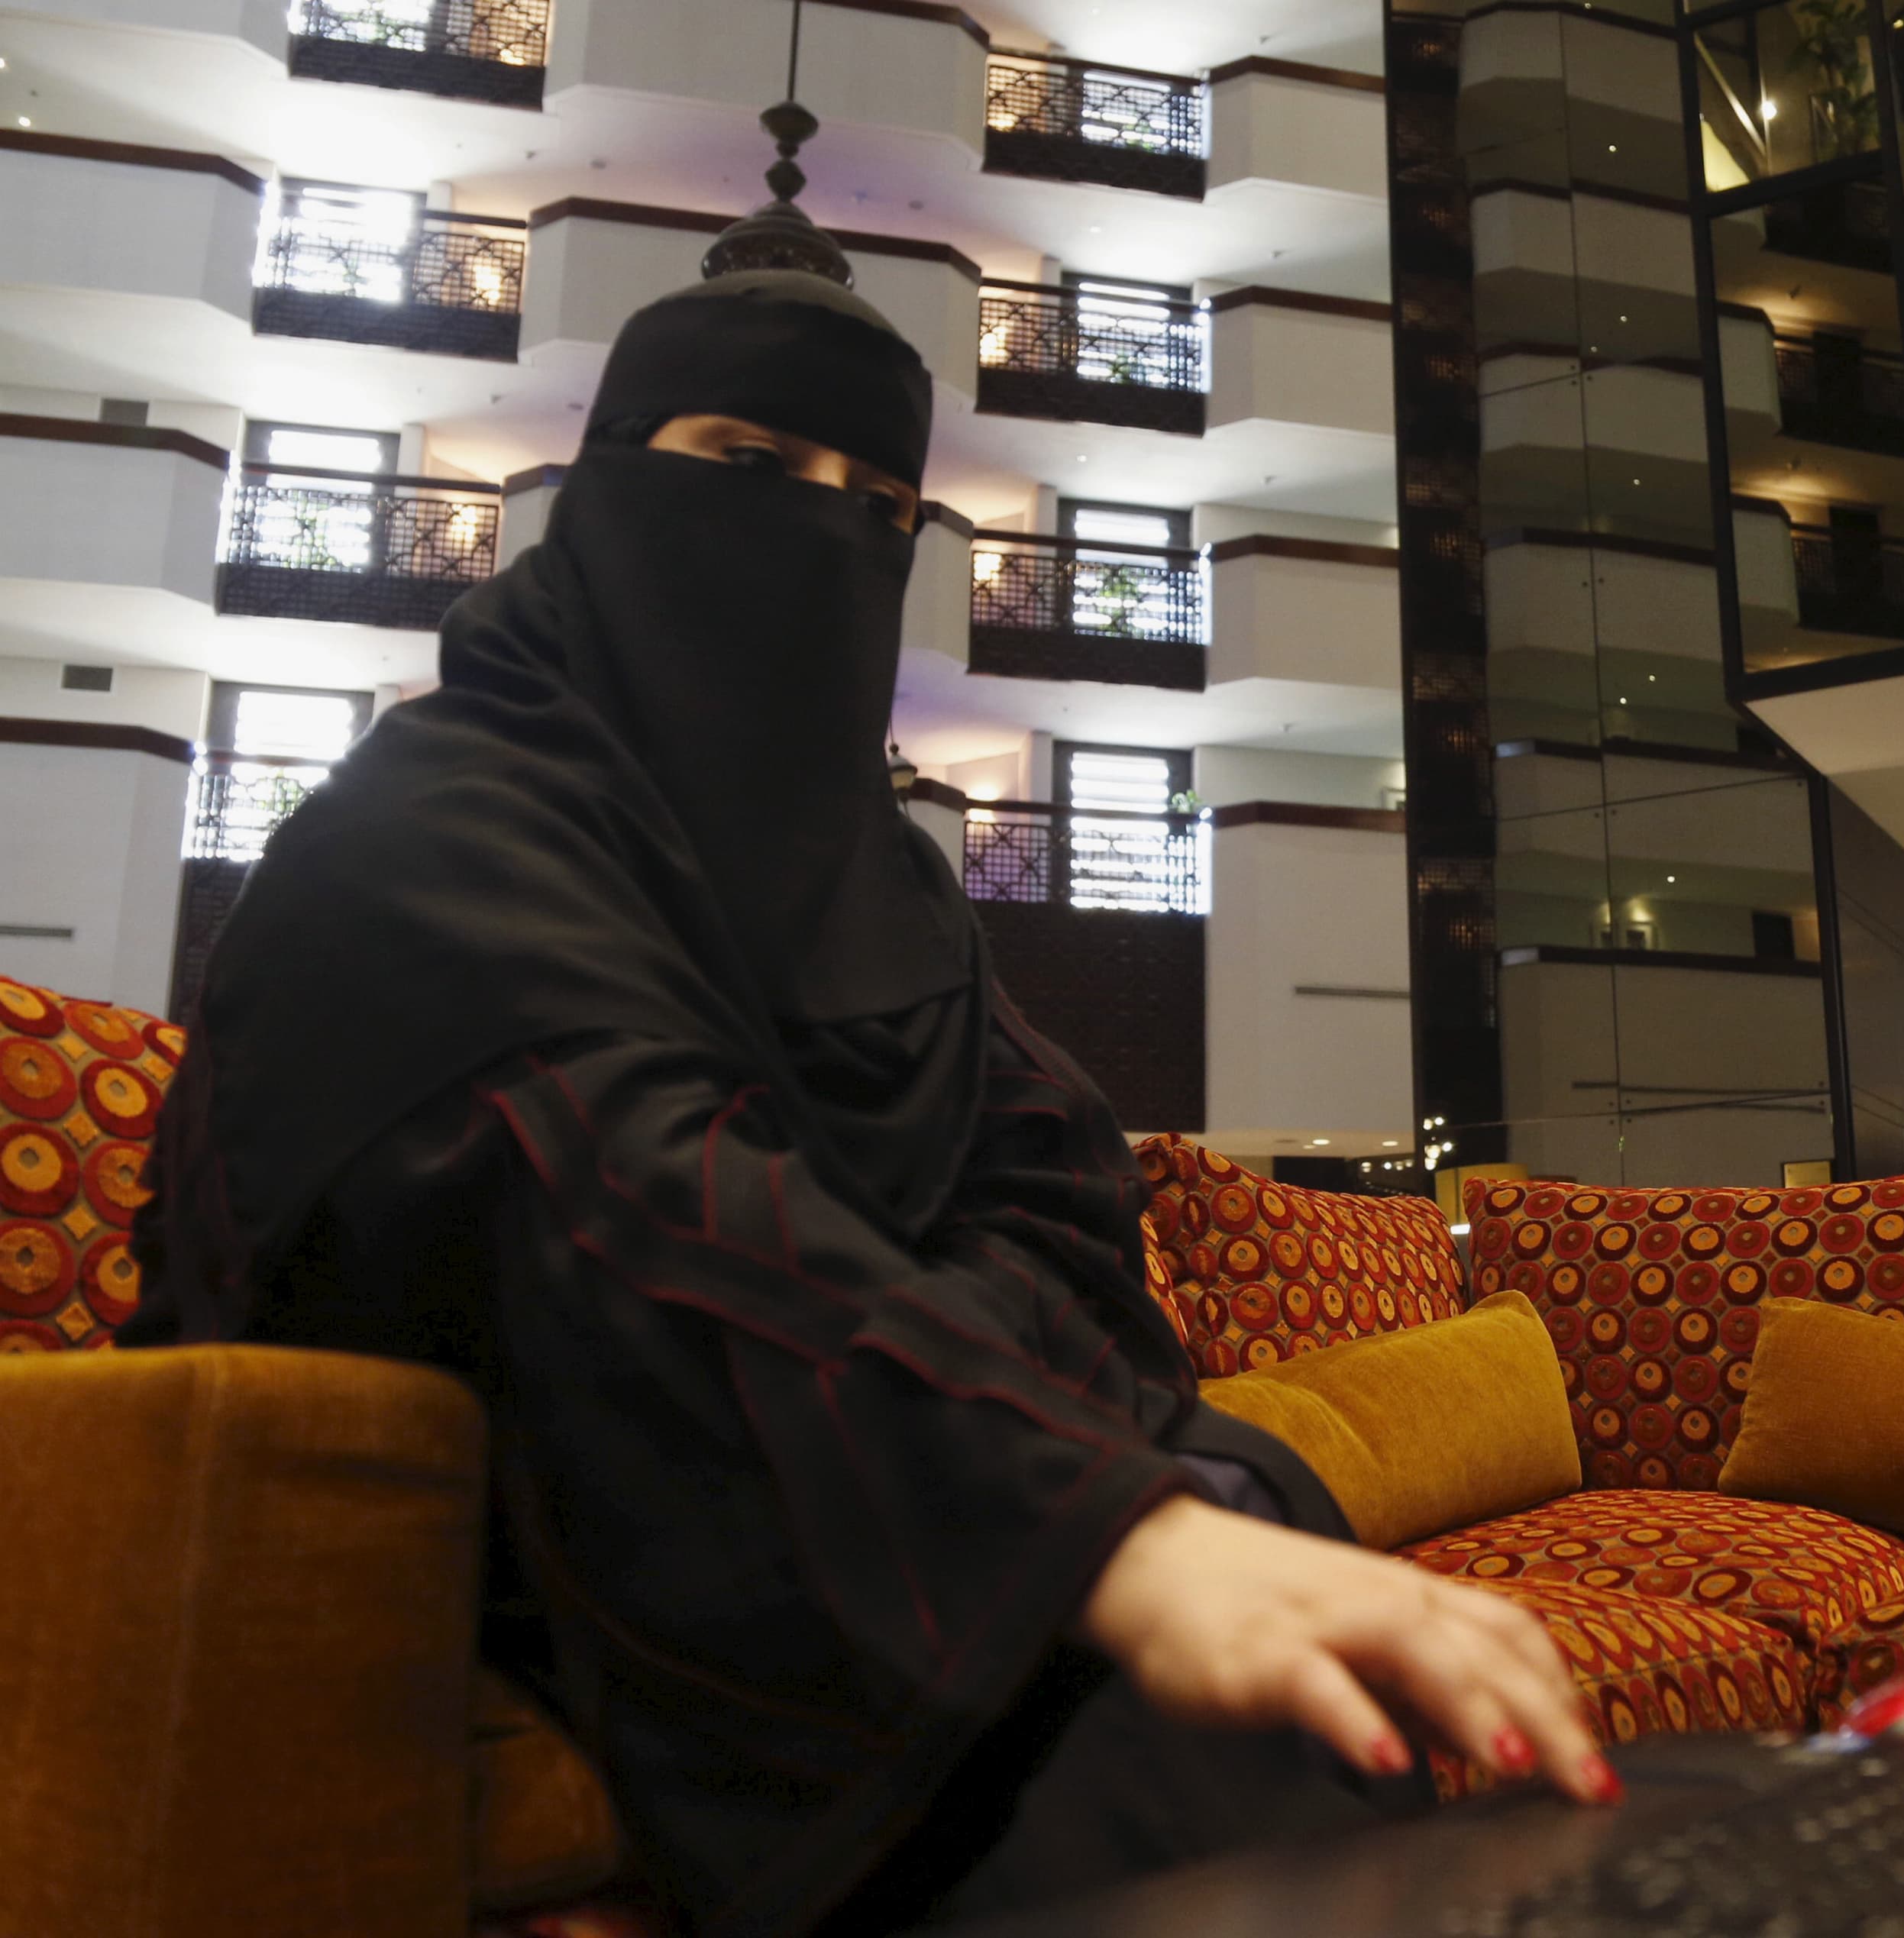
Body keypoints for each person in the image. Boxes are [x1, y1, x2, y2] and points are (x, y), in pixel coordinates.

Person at [121, 269, 1609, 1938]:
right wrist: (1085, 1528)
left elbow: (1063, 1213)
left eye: (880, 504)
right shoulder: (421, 842)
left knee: (1247, 1484)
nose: (821, 535)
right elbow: (622, 1210)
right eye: (750, 465)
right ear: (613, 476)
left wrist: (985, 1428)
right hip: (563, 1537)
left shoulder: (884, 891)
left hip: (868, 1480)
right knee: (1116, 1683)